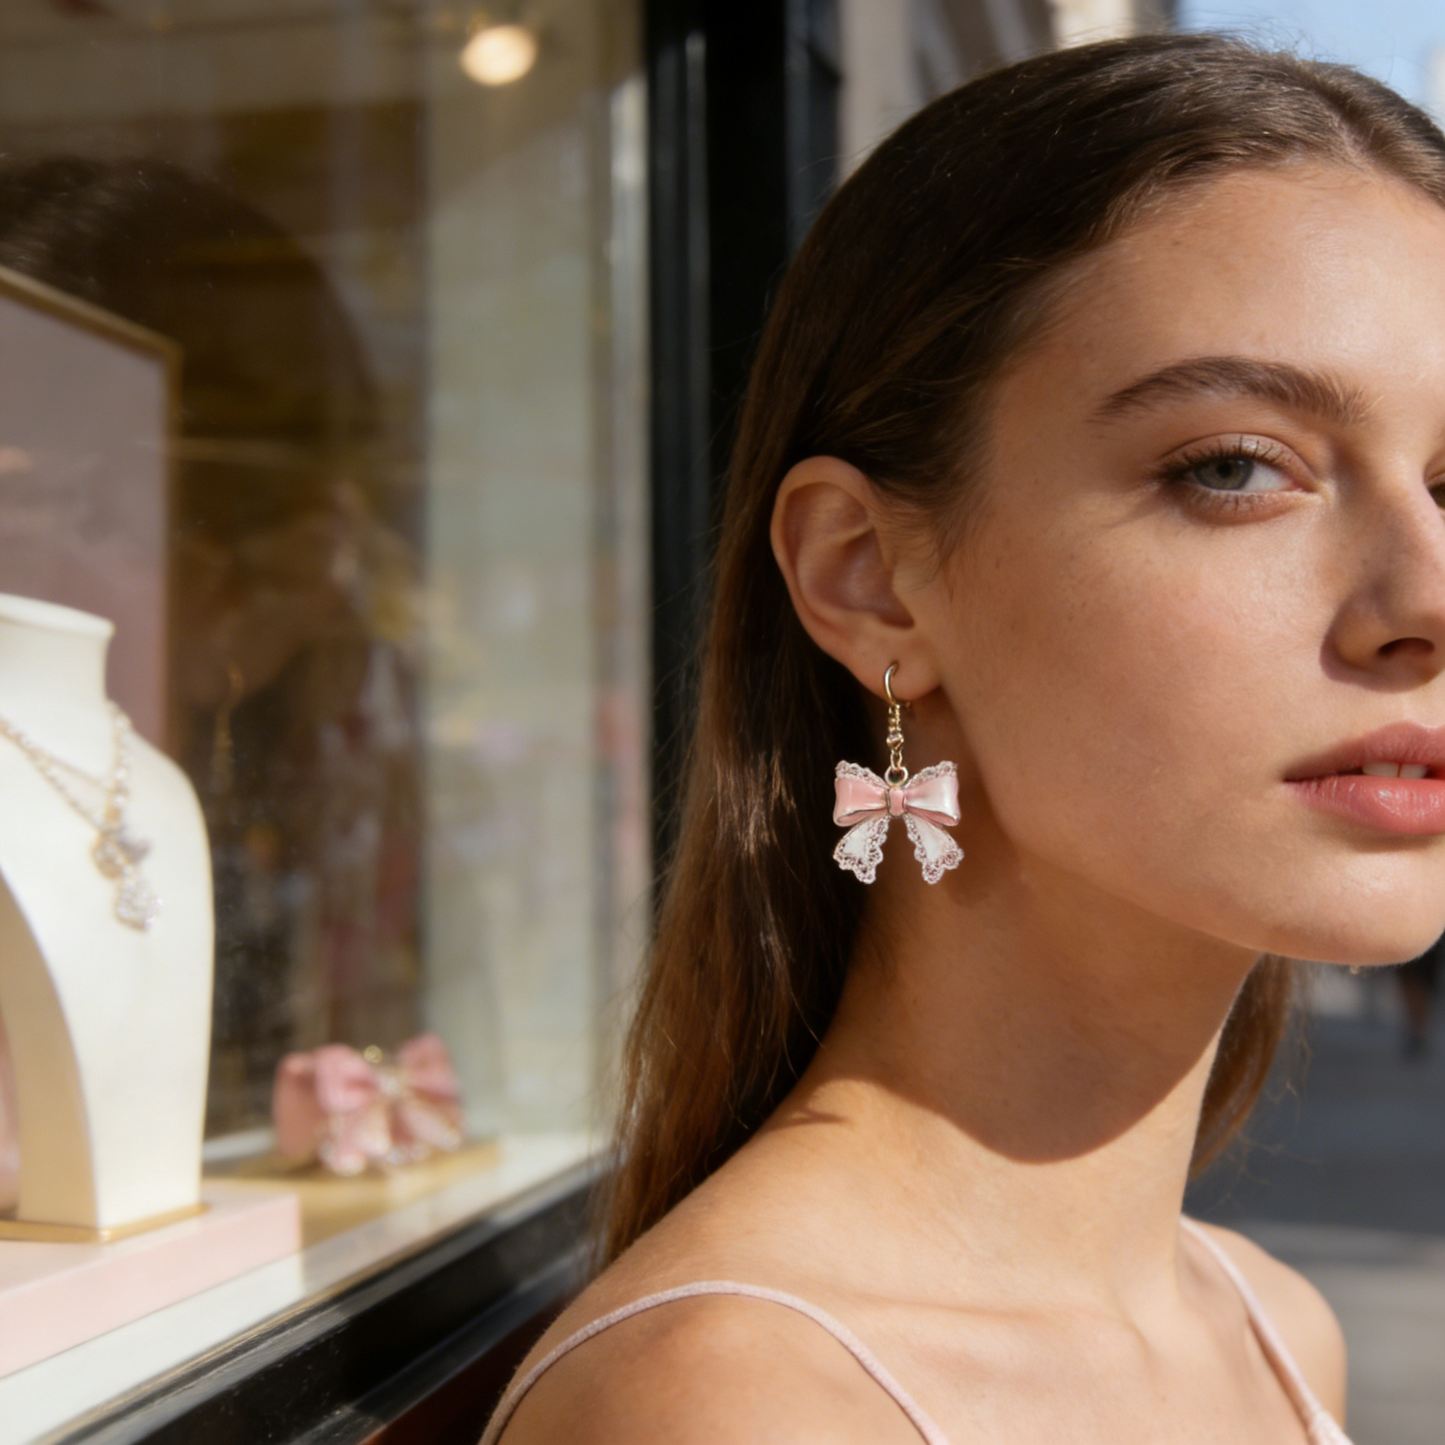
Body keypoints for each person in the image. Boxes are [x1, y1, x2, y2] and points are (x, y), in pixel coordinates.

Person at [485, 33, 1445, 1441]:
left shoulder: (1266, 1322)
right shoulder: (740, 1407)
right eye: (1235, 468)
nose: (1423, 599)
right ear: (867, 574)